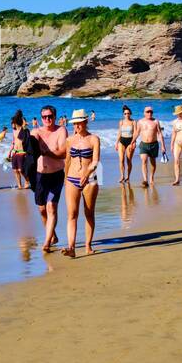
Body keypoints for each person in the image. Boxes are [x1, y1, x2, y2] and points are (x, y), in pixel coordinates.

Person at [30, 105, 68, 253]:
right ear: (41, 118)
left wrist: (46, 152)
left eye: (50, 116)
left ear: (55, 116)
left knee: (51, 206)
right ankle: (53, 235)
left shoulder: (61, 130)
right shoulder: (36, 131)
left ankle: (46, 243)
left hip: (56, 175)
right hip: (39, 176)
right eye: (45, 117)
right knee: (42, 210)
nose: (47, 119)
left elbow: (63, 153)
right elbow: (31, 142)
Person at [63, 109, 100, 257]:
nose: (76, 126)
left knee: (89, 213)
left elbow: (96, 161)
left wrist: (87, 172)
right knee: (72, 214)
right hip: (72, 179)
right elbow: (67, 160)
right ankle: (71, 247)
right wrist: (65, 178)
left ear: (85, 122)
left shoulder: (94, 139)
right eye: (74, 124)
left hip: (90, 180)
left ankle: (88, 245)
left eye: (79, 123)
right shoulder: (70, 140)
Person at [133, 106, 166, 187]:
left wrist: (163, 146)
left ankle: (151, 177)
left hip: (154, 144)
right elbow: (137, 133)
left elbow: (160, 134)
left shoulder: (155, 121)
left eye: (151, 112)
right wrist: (132, 142)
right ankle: (145, 180)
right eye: (147, 112)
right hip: (143, 144)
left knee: (153, 163)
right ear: (144, 113)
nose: (149, 113)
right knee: (144, 161)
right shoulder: (140, 122)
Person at [6, 111, 29, 189]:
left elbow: (24, 124)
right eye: (11, 123)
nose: (12, 125)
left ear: (16, 123)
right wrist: (9, 152)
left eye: (13, 123)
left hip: (22, 152)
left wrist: (20, 117)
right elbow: (13, 142)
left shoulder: (22, 130)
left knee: (21, 170)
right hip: (15, 152)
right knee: (15, 170)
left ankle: (27, 180)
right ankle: (19, 185)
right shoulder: (14, 131)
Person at [116, 106, 136, 183]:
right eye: (125, 113)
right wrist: (116, 142)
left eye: (128, 113)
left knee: (128, 160)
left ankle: (128, 176)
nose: (126, 115)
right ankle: (122, 176)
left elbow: (135, 133)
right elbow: (119, 133)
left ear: (130, 114)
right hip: (122, 141)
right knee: (121, 160)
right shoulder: (121, 122)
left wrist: (133, 143)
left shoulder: (133, 122)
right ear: (123, 114)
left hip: (130, 142)